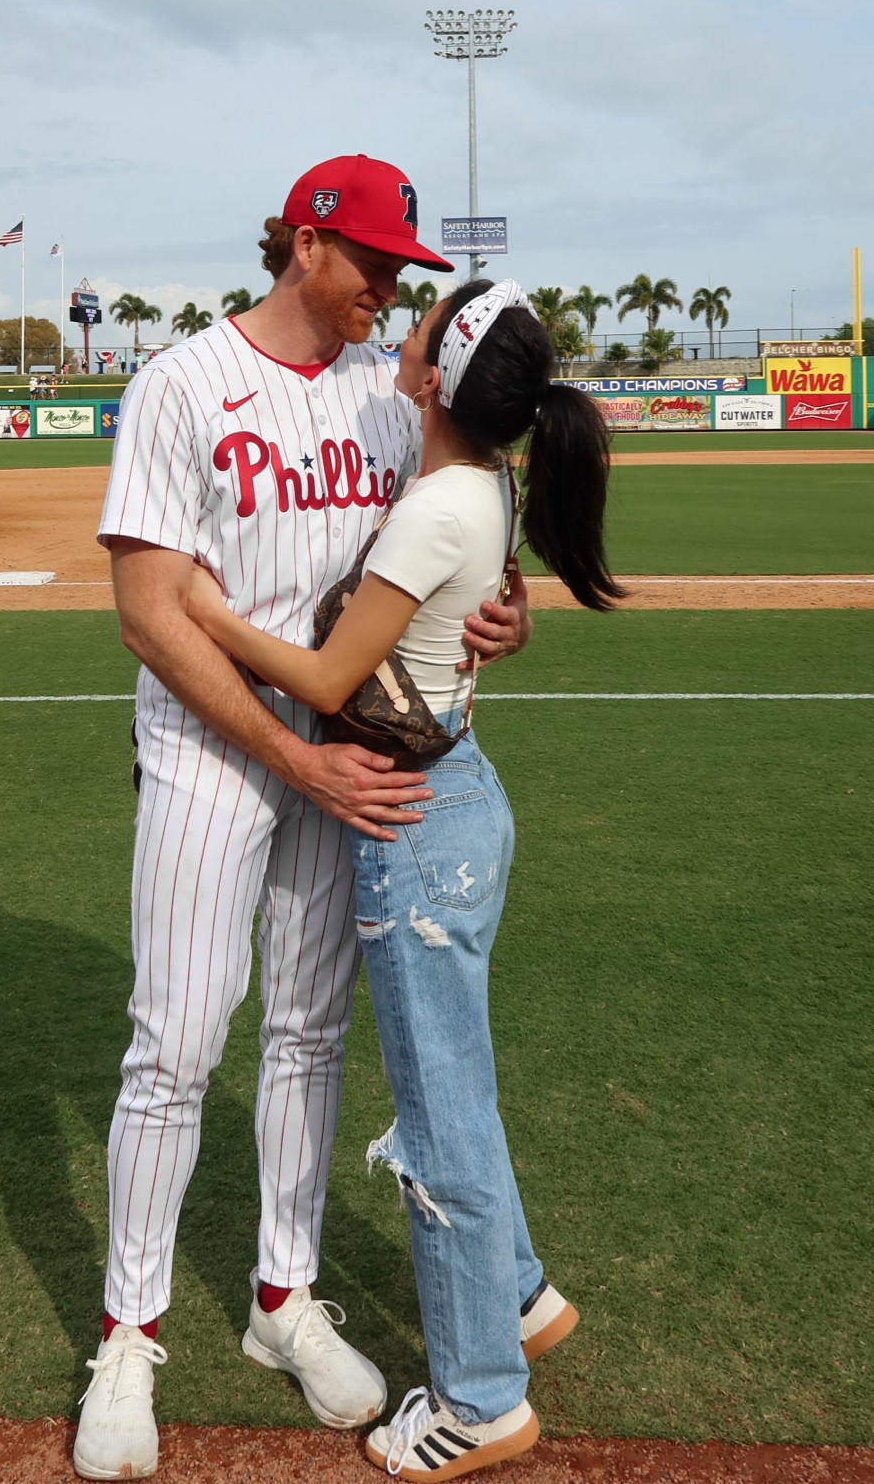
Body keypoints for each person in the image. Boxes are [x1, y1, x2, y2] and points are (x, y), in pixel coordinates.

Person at [79, 155, 529, 1481]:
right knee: (173, 1041)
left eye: (401, 269)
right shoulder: (179, 386)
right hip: (218, 757)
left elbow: (451, 558)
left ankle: (284, 1297)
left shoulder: (389, 408)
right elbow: (150, 613)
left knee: (308, 1032)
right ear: (305, 243)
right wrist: (294, 750)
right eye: (374, 260)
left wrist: (507, 615)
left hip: (342, 759)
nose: (389, 287)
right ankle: (128, 1333)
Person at [184, 278, 612, 1480]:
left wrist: (204, 611)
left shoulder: (435, 505)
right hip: (454, 796)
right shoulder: (484, 477)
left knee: (438, 1121)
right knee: (457, 1088)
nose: (403, 329)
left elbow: (325, 683)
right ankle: (518, 1292)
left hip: (415, 825)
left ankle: (481, 1395)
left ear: (436, 372)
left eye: (424, 328)